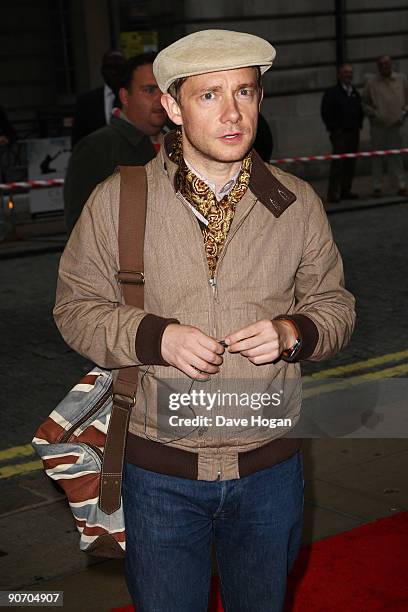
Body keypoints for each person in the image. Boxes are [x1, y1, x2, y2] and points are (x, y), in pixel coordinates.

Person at [54, 30, 355, 611]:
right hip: (159, 474)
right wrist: (155, 335)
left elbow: (336, 306)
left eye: (244, 92)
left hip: (269, 470)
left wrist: (294, 333)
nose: (233, 113)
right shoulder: (120, 198)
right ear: (172, 106)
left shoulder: (295, 203)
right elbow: (74, 309)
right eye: (209, 95)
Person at [64, 52, 167, 234]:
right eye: (149, 90)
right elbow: (81, 228)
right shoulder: (96, 148)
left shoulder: (179, 143)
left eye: (164, 90)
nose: (160, 99)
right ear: (125, 96)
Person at [362, 55, 408, 197]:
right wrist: (374, 114)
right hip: (378, 127)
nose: (384, 66)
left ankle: (401, 185)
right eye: (381, 64)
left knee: (397, 157)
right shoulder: (371, 83)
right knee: (377, 158)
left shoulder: (401, 80)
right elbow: (364, 103)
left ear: (391, 64)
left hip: (396, 125)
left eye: (387, 64)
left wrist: (403, 113)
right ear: (378, 67)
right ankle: (377, 187)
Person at [321, 63, 364, 202]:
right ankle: (333, 193)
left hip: (353, 132)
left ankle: (346, 190)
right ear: (339, 75)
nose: (348, 75)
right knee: (338, 164)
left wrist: (359, 125)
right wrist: (334, 128)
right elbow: (325, 112)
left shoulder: (354, 92)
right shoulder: (332, 93)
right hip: (339, 134)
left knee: (350, 163)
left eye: (350, 73)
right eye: (345, 72)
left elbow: (359, 110)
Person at [71, 49, 126, 147]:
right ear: (102, 71)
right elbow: (77, 141)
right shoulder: (85, 102)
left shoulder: (136, 99)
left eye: (119, 67)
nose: (114, 72)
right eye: (110, 67)